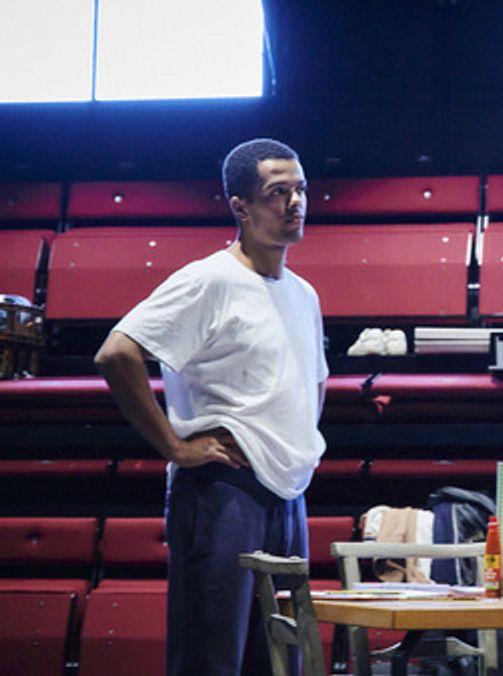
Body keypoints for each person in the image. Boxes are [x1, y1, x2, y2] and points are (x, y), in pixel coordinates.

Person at [94, 138, 327, 675]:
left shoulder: (304, 293)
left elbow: (312, 382)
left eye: (301, 190)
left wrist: (293, 447)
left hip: (288, 492)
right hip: (223, 491)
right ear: (240, 206)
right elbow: (117, 353)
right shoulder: (210, 279)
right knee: (212, 659)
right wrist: (174, 446)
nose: (295, 202)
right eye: (278, 192)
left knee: (277, 659)